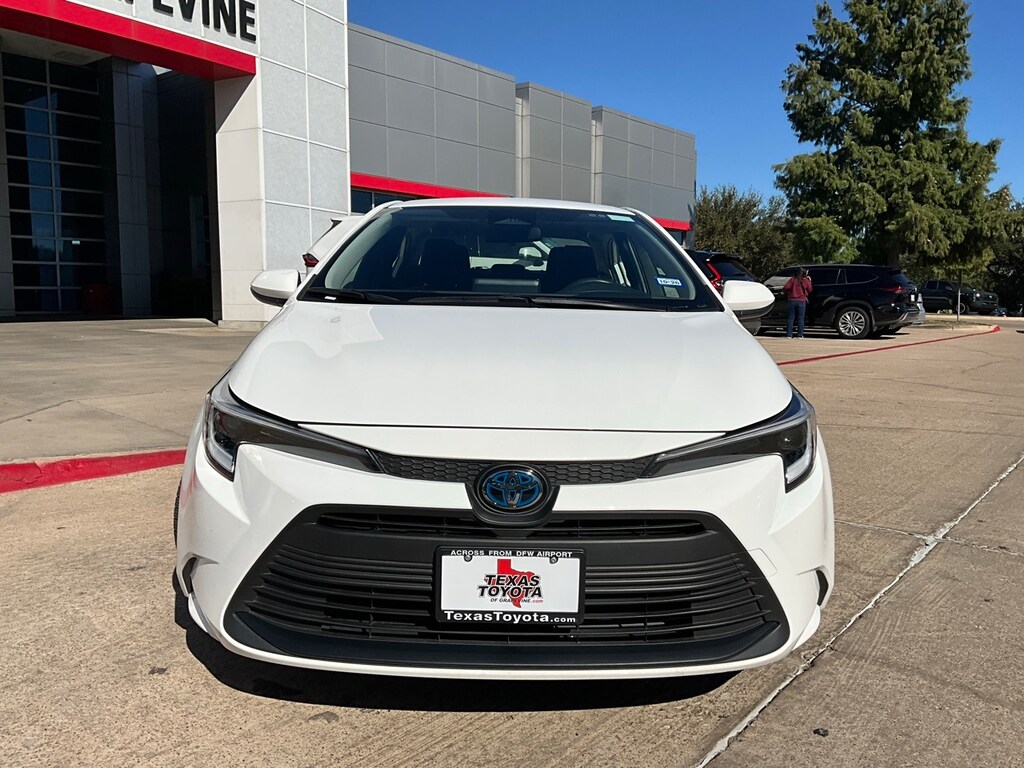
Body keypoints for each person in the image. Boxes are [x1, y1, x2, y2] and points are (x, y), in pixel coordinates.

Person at [783, 268, 812, 338]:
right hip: (801, 300)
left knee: (791, 318)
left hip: (792, 300)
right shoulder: (805, 280)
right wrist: (810, 281)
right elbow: (810, 289)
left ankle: (789, 334)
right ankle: (800, 334)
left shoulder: (793, 279)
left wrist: (788, 292)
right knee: (800, 318)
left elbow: (786, 287)